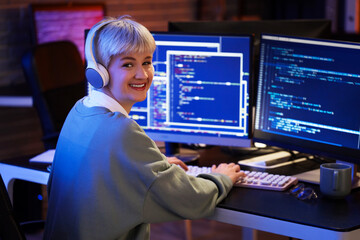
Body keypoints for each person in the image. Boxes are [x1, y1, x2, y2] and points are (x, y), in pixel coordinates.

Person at [43, 15, 244, 240]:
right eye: (128, 64)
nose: (143, 74)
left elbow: (96, 171)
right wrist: (221, 177)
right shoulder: (122, 131)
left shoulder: (80, 110)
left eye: (147, 62)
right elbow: (190, 200)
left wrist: (147, 168)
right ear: (100, 73)